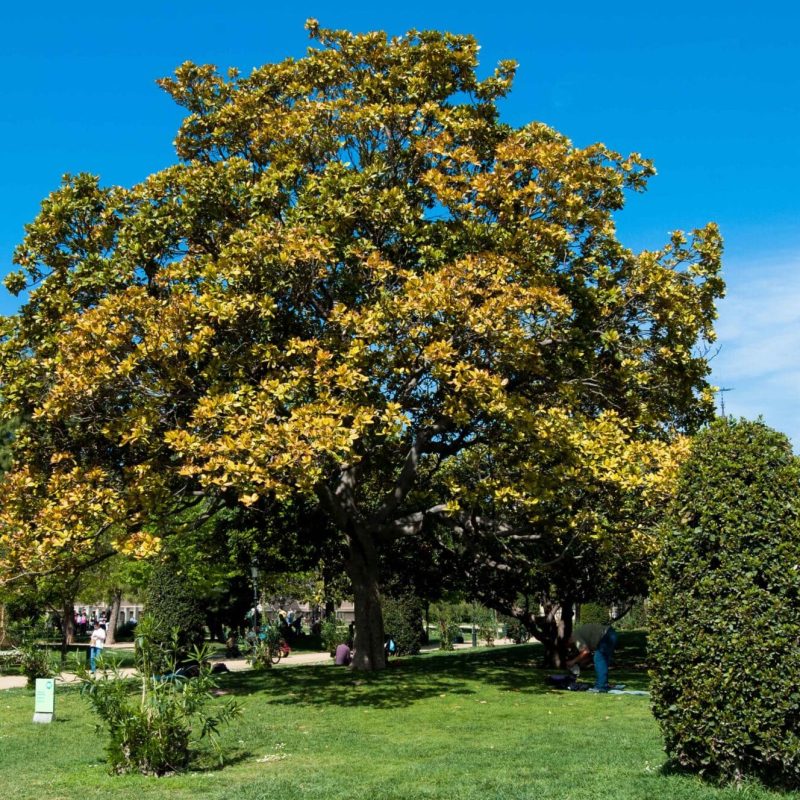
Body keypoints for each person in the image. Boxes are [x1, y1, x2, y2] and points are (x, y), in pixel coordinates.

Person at [566, 622, 618, 692]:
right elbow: (588, 655)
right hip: (611, 634)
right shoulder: (578, 634)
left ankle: (601, 686)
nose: (568, 647)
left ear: (567, 639)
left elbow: (585, 651)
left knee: (599, 658)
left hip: (606, 636)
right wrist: (579, 663)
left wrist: (573, 662)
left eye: (566, 645)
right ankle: (604, 684)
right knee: (603, 661)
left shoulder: (575, 637)